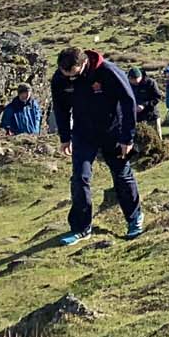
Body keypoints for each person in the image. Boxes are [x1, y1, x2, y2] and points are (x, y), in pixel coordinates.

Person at [49, 47, 143, 244]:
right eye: (65, 74)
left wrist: (128, 138)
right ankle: (82, 228)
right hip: (83, 134)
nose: (69, 78)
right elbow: (61, 108)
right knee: (79, 178)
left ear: (83, 64)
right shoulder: (60, 78)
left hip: (113, 132)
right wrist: (65, 137)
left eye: (72, 74)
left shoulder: (108, 72)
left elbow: (128, 101)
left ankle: (134, 219)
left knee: (121, 174)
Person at [128, 66, 163, 154]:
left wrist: (144, 105)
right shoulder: (128, 85)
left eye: (136, 80)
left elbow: (157, 97)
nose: (135, 82)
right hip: (138, 117)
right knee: (141, 136)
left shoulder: (150, 83)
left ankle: (160, 152)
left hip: (151, 115)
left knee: (156, 136)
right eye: (132, 80)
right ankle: (143, 154)